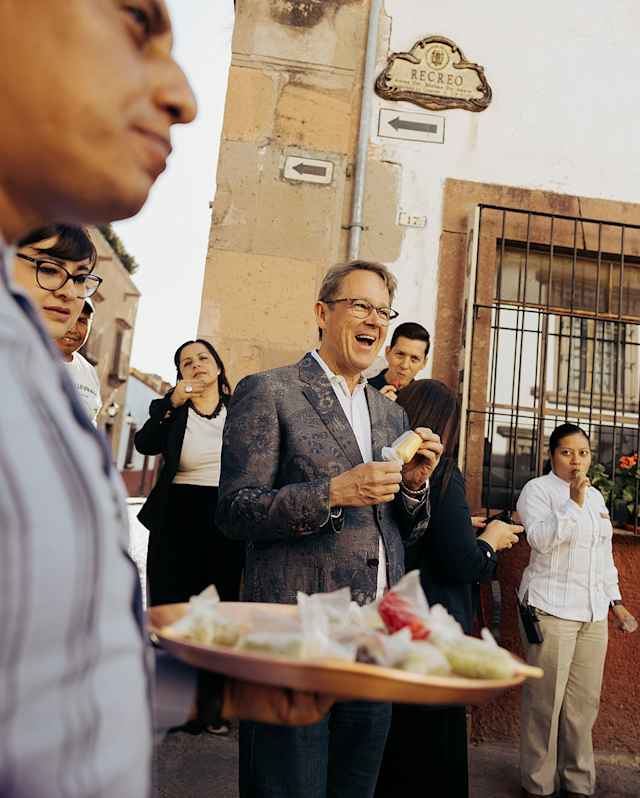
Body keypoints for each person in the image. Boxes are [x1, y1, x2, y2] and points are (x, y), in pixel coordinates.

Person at [0, 4, 332, 798]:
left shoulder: (31, 367)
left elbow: (43, 676)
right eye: (134, 22)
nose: (183, 94)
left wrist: (210, 688)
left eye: (76, 280)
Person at [217, 259, 444, 798]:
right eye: (360, 305)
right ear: (322, 313)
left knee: (355, 787)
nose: (375, 320)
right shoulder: (269, 391)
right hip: (297, 637)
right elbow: (234, 511)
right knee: (286, 786)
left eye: (383, 311)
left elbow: (402, 532)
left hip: (373, 641)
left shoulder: (391, 417)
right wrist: (330, 494)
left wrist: (413, 488)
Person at [375, 378, 523, 798]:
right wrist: (491, 540)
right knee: (431, 757)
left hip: (392, 620)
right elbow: (463, 562)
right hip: (433, 628)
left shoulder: (384, 468)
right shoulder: (442, 474)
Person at [517, 423, 637, 798]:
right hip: (550, 610)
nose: (575, 459)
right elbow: (540, 540)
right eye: (567, 452)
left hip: (592, 614)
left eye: (582, 453)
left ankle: (578, 783)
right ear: (552, 455)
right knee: (545, 703)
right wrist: (572, 502)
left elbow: (603, 558)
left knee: (583, 705)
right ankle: (537, 785)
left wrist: (615, 603)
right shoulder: (536, 491)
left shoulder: (598, 498)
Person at [135, 339, 245, 735]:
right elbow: (143, 443)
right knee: (174, 611)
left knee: (218, 612)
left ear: (217, 366)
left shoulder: (241, 411)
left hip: (224, 518)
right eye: (186, 361)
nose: (196, 365)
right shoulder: (169, 409)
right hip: (176, 517)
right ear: (180, 372)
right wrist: (171, 404)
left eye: (203, 358)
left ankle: (212, 706)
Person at [56, 297, 103, 424]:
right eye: (67, 317)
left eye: (81, 320)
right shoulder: (27, 357)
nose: (73, 329)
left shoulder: (90, 372)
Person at [368, 320, 430, 401]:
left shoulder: (425, 401)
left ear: (424, 363)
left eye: (414, 359)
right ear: (387, 352)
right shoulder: (363, 389)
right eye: (400, 354)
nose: (404, 365)